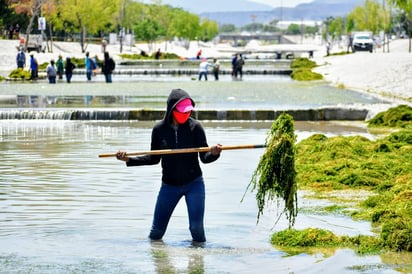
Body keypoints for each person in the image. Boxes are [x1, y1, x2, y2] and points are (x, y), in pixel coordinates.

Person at [116, 88, 222, 243]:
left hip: (194, 184)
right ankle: (159, 263)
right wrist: (129, 160)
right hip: (169, 186)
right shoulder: (159, 130)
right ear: (172, 110)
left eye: (188, 112)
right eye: (183, 112)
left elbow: (204, 158)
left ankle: (198, 263)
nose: (187, 115)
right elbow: (153, 159)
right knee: (156, 232)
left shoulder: (196, 127)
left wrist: (214, 153)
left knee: (197, 229)